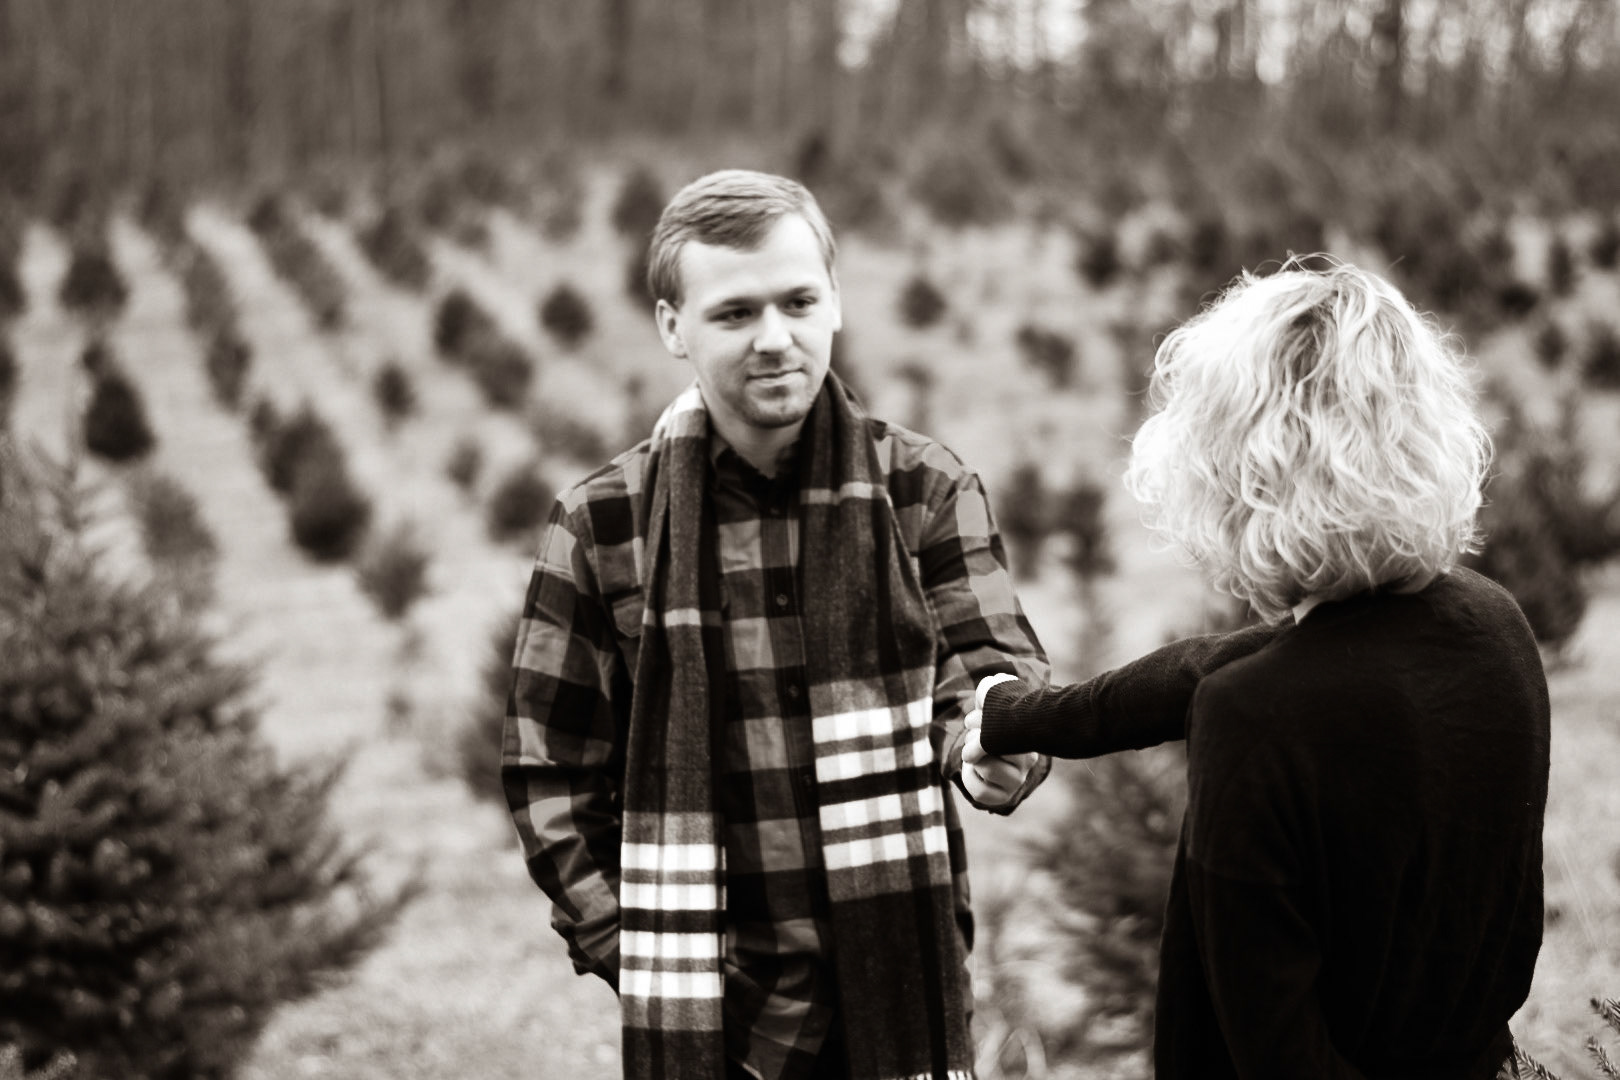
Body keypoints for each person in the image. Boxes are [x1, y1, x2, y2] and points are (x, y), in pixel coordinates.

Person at [502, 169, 1053, 1080]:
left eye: (798, 302)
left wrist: (996, 745)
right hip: (715, 1021)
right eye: (734, 313)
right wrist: (636, 951)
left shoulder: (923, 487)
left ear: (834, 299)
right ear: (672, 326)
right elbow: (549, 773)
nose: (774, 338)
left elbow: (993, 672)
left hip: (903, 992)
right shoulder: (602, 525)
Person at [966, 258, 1550, 1079]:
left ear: (1236, 475)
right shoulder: (1490, 623)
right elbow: (1199, 668)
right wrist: (1013, 716)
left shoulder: (1259, 713)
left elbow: (1278, 1054)